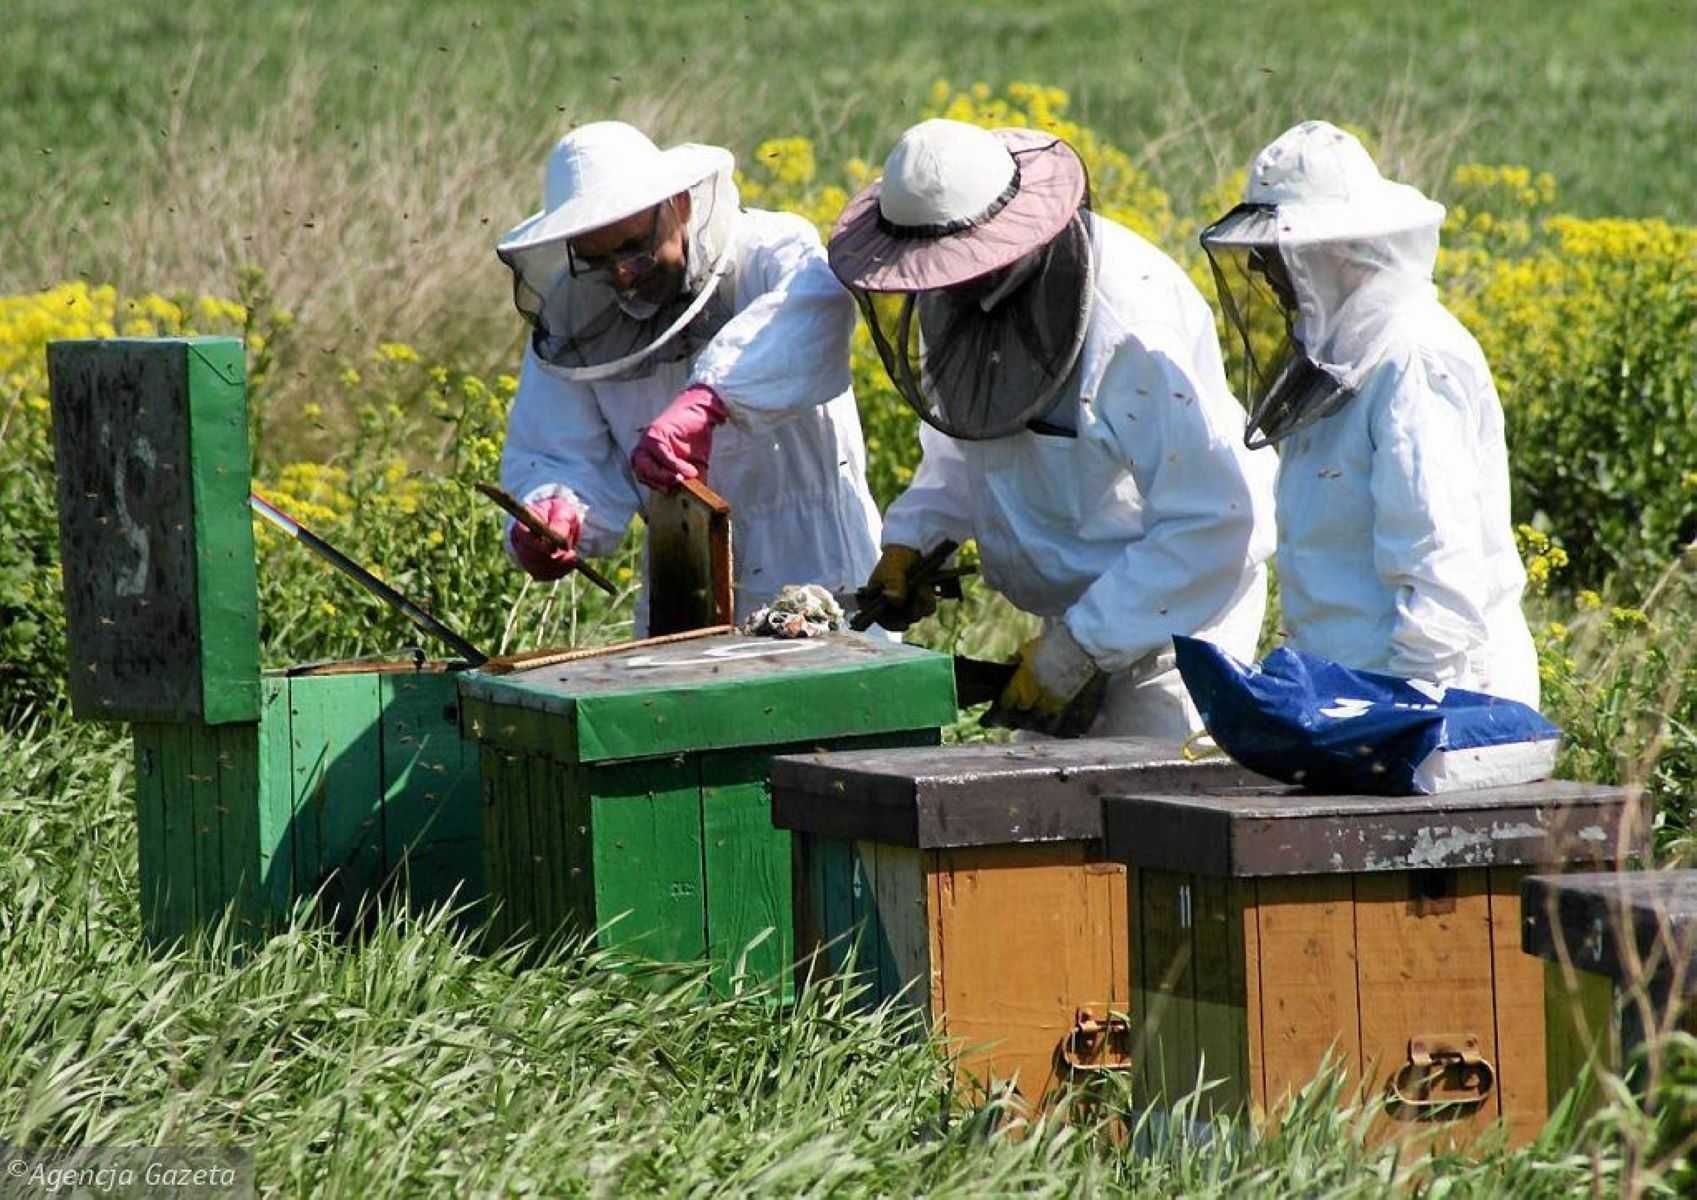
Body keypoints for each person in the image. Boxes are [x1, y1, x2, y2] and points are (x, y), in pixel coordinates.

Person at [829, 119, 1276, 738]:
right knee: (1050, 809)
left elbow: (1217, 520)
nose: (940, 285)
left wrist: (1081, 646)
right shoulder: (957, 297)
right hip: (1074, 618)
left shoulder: (1132, 330)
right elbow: (972, 441)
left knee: (1158, 813)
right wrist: (917, 535)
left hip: (1179, 624)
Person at [1199, 120, 1538, 706]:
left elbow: (1439, 568)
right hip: (1356, 702)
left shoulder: (1414, 358)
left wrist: (1413, 709)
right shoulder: (1340, 356)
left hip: (1441, 705)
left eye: (1276, 253)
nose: (1262, 271)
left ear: (1332, 252)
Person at [494, 121, 883, 628]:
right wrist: (553, 513)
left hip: (823, 568)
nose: (623, 274)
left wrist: (710, 400)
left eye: (634, 247)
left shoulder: (770, 250)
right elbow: (556, 453)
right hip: (682, 586)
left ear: (679, 205)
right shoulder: (575, 321)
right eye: (597, 259)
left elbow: (814, 314)